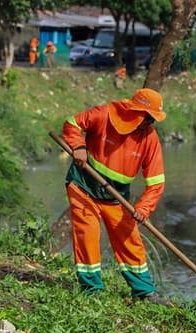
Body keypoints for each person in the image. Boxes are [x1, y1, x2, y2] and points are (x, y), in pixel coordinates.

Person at [61, 88, 168, 303]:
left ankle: (144, 292)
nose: (150, 123)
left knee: (129, 238)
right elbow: (72, 124)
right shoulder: (103, 114)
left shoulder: (149, 138)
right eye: (148, 118)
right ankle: (91, 291)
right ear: (135, 112)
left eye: (153, 119)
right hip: (84, 184)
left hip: (115, 196)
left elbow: (156, 181)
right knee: (87, 235)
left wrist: (143, 207)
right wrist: (78, 146)